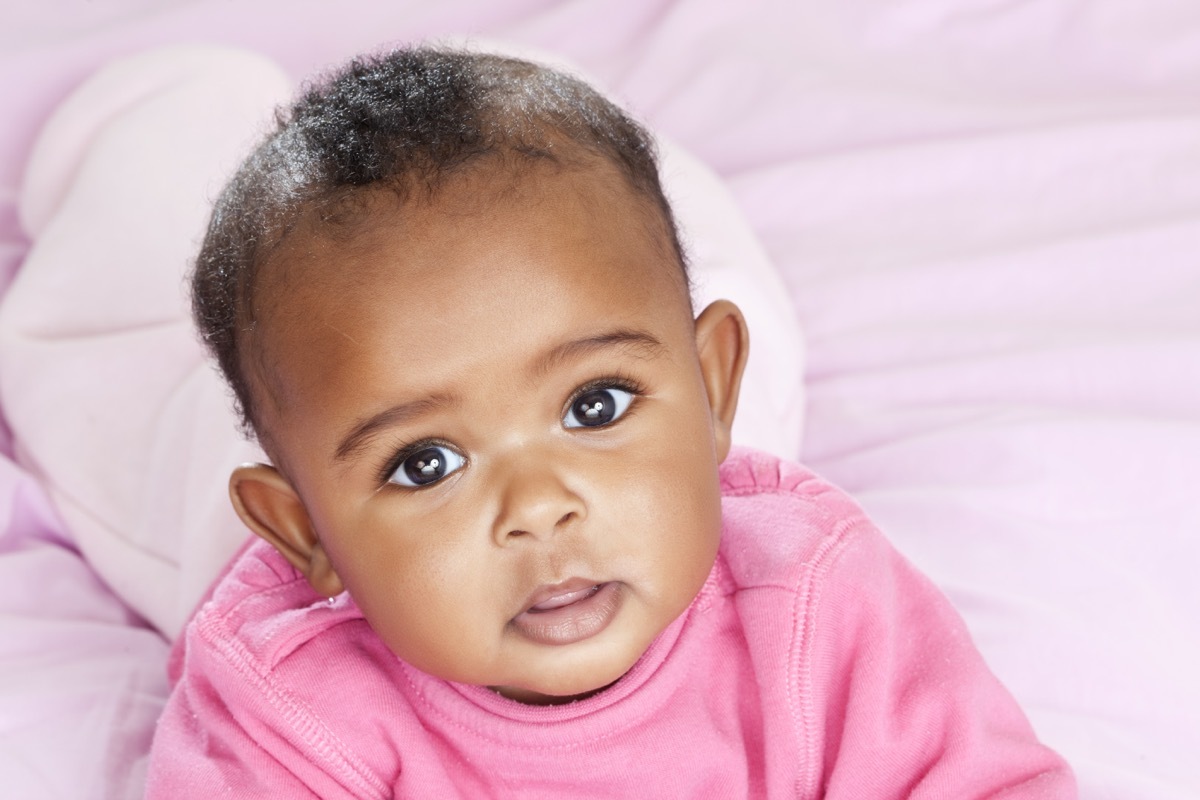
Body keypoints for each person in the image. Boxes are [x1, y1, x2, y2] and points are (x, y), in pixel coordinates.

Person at [145, 46, 1076, 798]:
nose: (539, 508)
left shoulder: (813, 599)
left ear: (714, 392)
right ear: (305, 529)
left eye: (595, 407)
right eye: (426, 464)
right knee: (123, 376)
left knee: (638, 251)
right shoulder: (289, 707)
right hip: (198, 487)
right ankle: (158, 109)